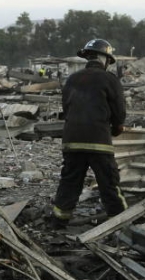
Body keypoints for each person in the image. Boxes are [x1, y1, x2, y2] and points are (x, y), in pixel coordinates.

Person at [49, 38, 127, 229]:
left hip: (71, 140)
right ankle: (119, 223)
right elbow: (119, 112)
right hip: (98, 140)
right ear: (106, 59)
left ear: (88, 57)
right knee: (109, 183)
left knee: (70, 182)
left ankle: (59, 221)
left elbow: (66, 108)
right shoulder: (110, 79)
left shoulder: (73, 79)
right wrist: (117, 127)